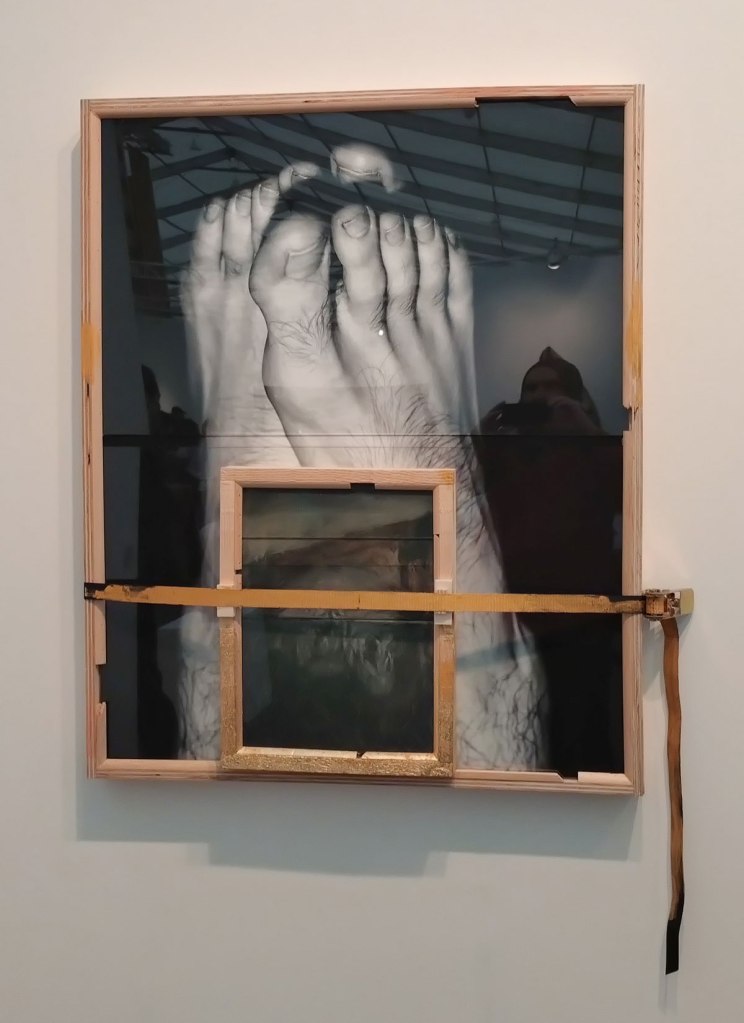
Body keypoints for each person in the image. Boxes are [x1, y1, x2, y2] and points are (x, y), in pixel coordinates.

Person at [476, 347, 624, 775]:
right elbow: (464, 501)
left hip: (582, 618)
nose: (539, 396)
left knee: (582, 729)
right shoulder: (506, 453)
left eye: (551, 388)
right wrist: (480, 439)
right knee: (513, 724)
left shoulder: (591, 448)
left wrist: (585, 430)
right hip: (511, 616)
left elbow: (632, 495)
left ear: (574, 398)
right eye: (531, 389)